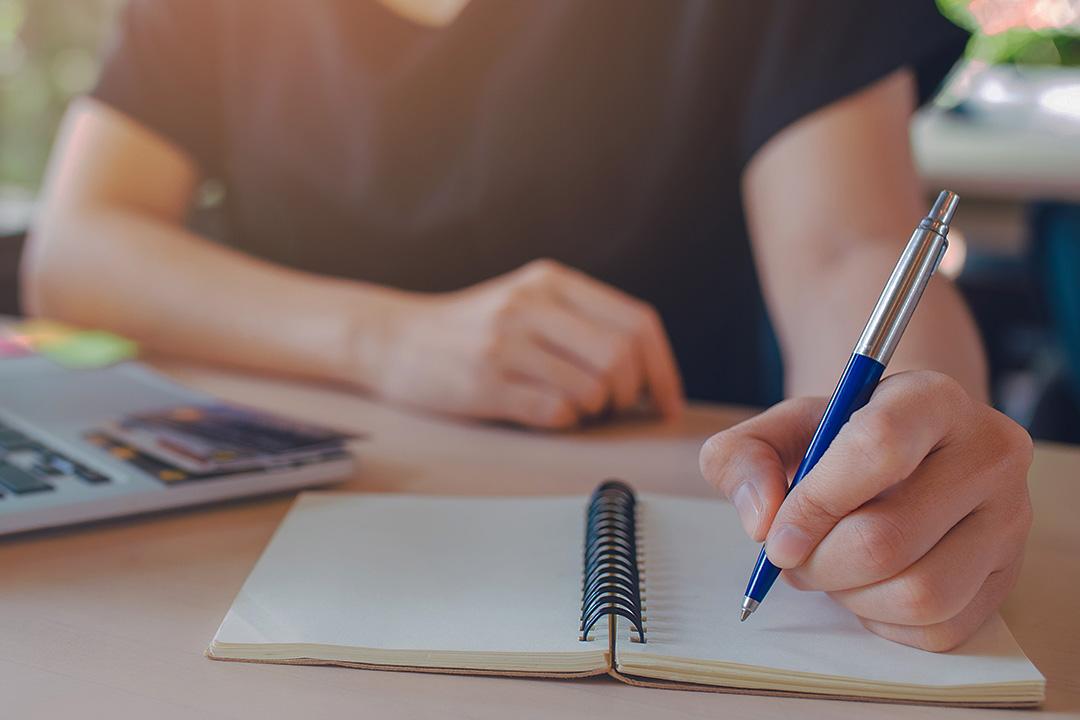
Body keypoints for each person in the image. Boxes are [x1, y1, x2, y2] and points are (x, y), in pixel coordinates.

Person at [22, 0, 1033, 652]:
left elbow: (848, 250)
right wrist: (389, 340)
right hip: (257, 550)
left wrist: (908, 453)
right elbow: (74, 250)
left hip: (667, 516)